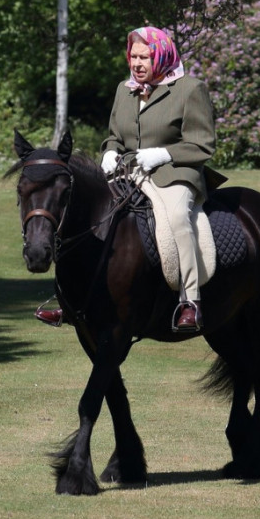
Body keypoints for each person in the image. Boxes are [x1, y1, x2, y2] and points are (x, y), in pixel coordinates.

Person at [37, 26, 217, 331]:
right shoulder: (125, 88)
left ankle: (190, 301)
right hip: (128, 173)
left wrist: (163, 154)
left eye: (144, 57)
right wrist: (109, 152)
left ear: (161, 55)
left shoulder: (190, 89)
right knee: (83, 214)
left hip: (174, 173)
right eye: (133, 56)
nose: (137, 63)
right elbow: (114, 137)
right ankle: (68, 301)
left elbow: (202, 144)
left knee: (176, 218)